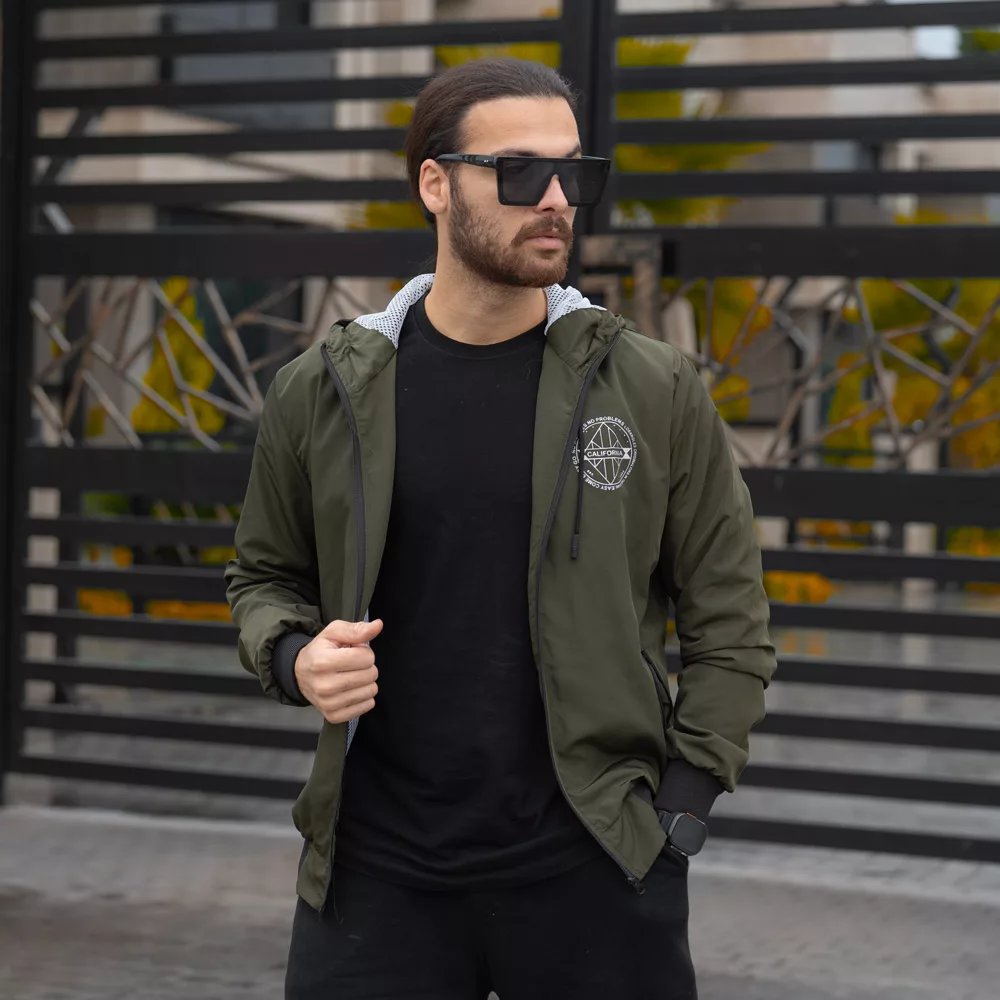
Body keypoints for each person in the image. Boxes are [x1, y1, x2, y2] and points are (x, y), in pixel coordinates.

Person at [226, 57, 776, 1000]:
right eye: (520, 172)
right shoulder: (322, 390)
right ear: (434, 185)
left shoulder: (653, 389)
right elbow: (262, 576)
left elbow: (731, 621)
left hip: (594, 871)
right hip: (376, 876)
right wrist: (293, 656)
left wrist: (679, 815)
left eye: (574, 172)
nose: (558, 199)